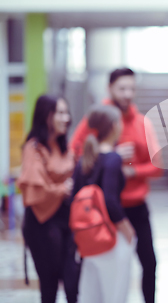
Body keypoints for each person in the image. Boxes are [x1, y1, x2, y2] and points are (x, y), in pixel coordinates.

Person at [70, 67, 162, 303]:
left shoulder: (143, 122)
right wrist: (110, 157)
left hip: (136, 206)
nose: (127, 94)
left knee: (148, 262)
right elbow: (77, 153)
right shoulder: (98, 117)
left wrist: (129, 169)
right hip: (103, 210)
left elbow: (158, 166)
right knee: (99, 267)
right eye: (122, 88)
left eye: (132, 88)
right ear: (109, 88)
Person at [17, 95, 80, 303]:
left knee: (72, 281)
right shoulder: (33, 148)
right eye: (60, 113)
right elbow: (35, 190)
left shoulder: (64, 146)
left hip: (66, 219)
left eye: (66, 112)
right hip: (42, 222)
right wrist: (62, 188)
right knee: (49, 284)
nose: (66, 118)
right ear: (46, 116)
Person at [72, 104, 136, 303]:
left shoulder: (85, 159)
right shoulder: (113, 159)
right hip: (110, 235)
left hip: (87, 236)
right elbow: (110, 200)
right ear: (114, 126)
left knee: (91, 295)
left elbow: (74, 196)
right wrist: (127, 229)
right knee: (115, 293)